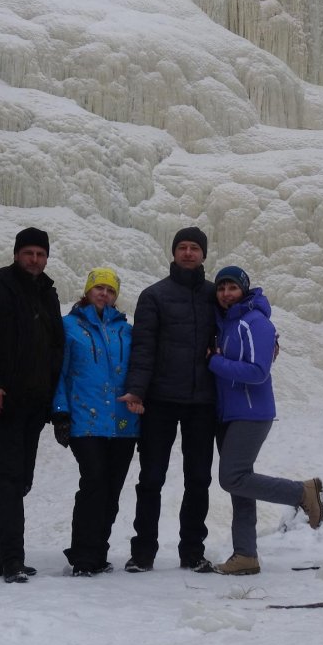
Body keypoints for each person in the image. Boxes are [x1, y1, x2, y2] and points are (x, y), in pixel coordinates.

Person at [0, 227, 64, 584]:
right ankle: (11, 560)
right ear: (17, 253)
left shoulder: (47, 292)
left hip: (35, 404)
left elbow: (55, 345)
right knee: (7, 480)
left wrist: (54, 397)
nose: (34, 260)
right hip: (3, 401)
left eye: (40, 254)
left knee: (19, 482)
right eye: (29, 253)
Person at [208, 264, 323, 575]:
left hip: (251, 413)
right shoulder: (229, 323)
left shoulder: (254, 322)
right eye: (221, 288)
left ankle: (301, 492)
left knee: (231, 478)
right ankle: (245, 555)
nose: (226, 293)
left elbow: (258, 373)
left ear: (244, 289)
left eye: (232, 287)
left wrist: (214, 362)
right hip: (229, 414)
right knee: (241, 485)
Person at [118, 227, 217, 573]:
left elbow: (242, 321)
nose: (188, 253)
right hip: (160, 400)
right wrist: (137, 390)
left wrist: (271, 340)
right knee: (151, 479)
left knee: (199, 479)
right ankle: (143, 552)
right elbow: (143, 349)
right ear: (173, 253)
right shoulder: (154, 296)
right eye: (182, 248)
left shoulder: (214, 295)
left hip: (203, 402)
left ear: (204, 254)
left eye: (194, 248)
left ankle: (192, 551)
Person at [51, 267, 139, 577]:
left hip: (123, 423)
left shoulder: (126, 332)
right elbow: (58, 373)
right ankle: (83, 556)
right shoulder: (68, 327)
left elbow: (140, 372)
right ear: (87, 291)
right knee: (94, 482)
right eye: (98, 287)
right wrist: (59, 412)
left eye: (110, 290)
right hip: (84, 420)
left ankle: (98, 552)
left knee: (112, 488)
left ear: (116, 297)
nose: (104, 293)